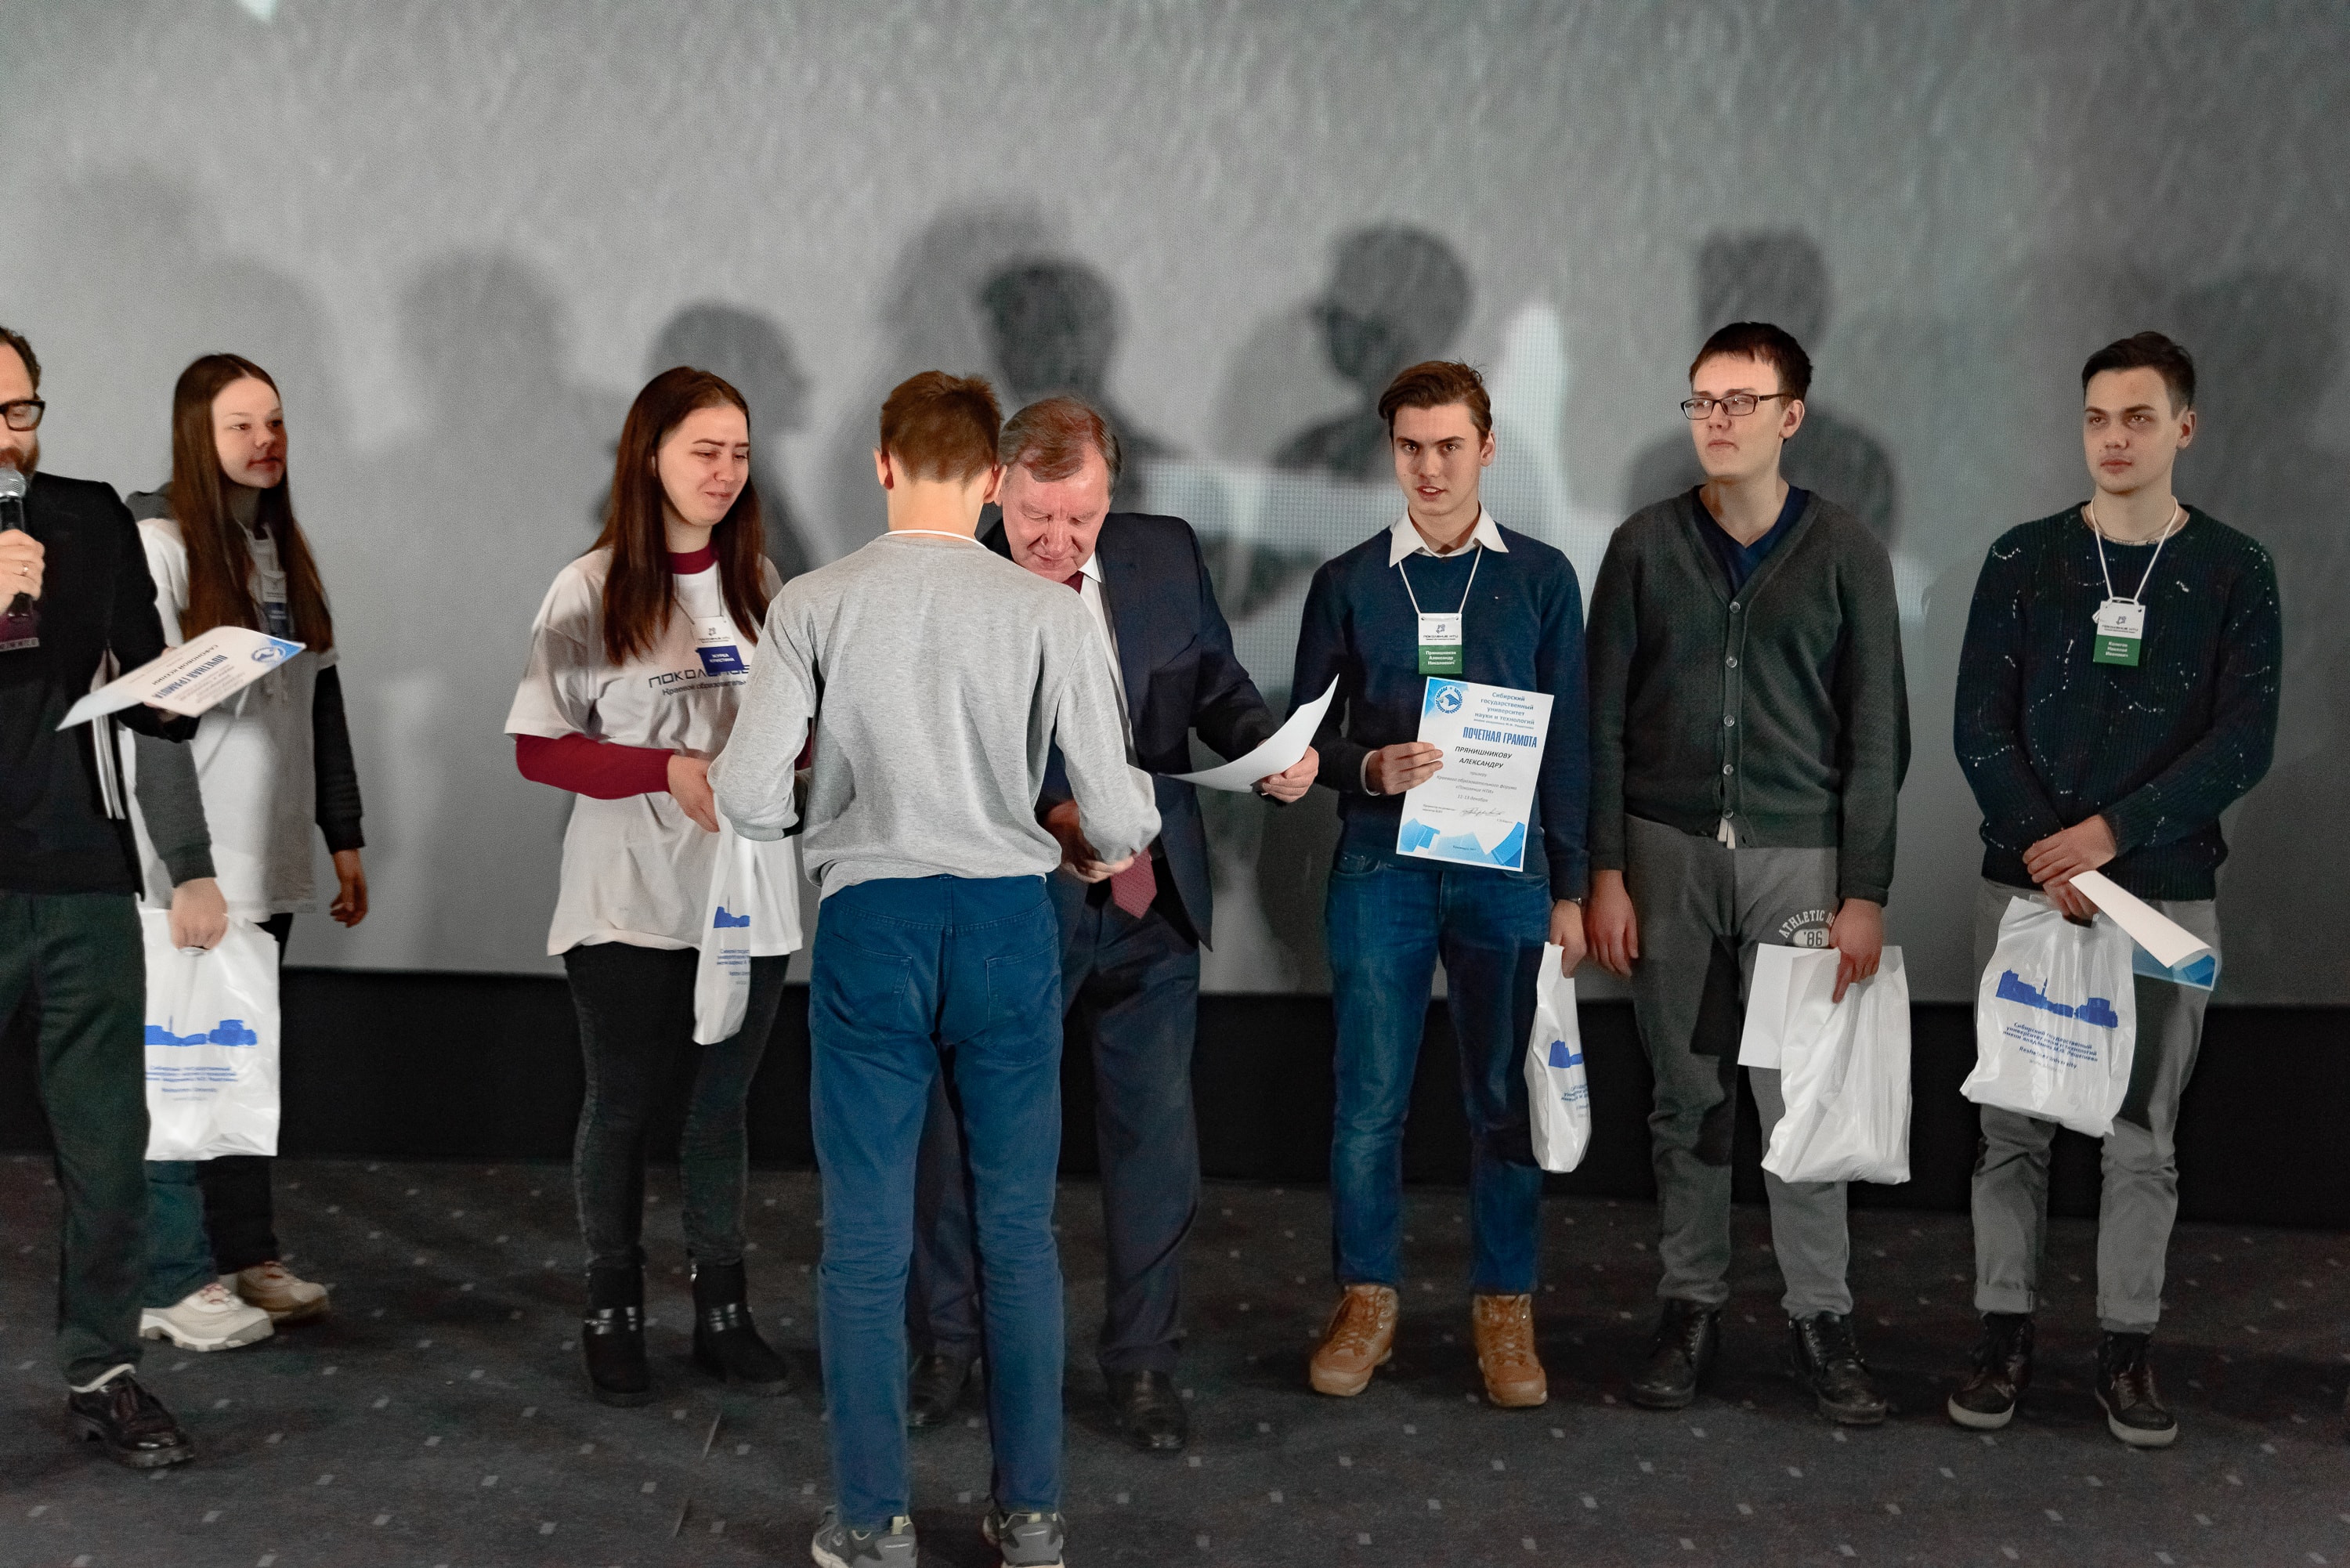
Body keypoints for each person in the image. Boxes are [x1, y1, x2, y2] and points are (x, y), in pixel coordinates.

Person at [712, 371, 1156, 1568]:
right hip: (1010, 923)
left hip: (874, 923)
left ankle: (872, 1523)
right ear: (994, 481)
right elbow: (1119, 817)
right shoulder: (1050, 611)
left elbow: (748, 797)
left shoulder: (813, 602)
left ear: (883, 463)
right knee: (1018, 1234)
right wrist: (1093, 840)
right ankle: (1033, 1517)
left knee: (866, 1244)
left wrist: (815, 805)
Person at [902, 395, 1315, 1454]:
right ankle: (947, 1342)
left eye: (1079, 518)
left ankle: (1142, 1362)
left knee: (1154, 1143)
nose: (1056, 540)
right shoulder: (950, 576)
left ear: (1111, 496)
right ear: (996, 490)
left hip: (1151, 901)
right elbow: (943, 746)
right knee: (970, 1134)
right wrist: (1059, 819)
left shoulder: (1162, 554)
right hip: (1014, 901)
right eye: (1035, 517)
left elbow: (1213, 681)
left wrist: (1266, 747)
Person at [1947, 331, 2280, 1449]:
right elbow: (1978, 727)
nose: (2115, 439)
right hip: (2028, 892)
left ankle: (2126, 1350)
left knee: (2143, 1135)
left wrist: (2110, 836)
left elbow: (2243, 742)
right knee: (2012, 1128)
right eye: (2097, 418)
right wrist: (2053, 850)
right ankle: (2003, 1335)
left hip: (2164, 895)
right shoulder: (2024, 558)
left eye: (2139, 418)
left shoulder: (2235, 568)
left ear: (2184, 426)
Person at [1584, 321, 1908, 1425]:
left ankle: (1823, 1317)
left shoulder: (1847, 552)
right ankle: (1690, 1306)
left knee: (1801, 1102)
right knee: (1686, 1096)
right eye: (1702, 401)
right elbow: (1602, 723)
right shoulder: (1642, 547)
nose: (1717, 420)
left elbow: (1877, 737)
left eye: (1741, 400)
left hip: (1801, 860)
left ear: (1791, 415)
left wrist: (1865, 890)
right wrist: (1607, 869)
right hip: (1664, 855)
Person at [1289, 359, 1589, 1411]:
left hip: (1507, 875)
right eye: (1411, 447)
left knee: (1503, 1097)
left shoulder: (1542, 577)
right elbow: (1306, 736)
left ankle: (1504, 1304)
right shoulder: (1349, 582)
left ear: (1486, 449)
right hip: (1383, 866)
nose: (1430, 467)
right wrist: (1365, 765)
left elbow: (1571, 742)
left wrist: (1571, 883)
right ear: (1393, 453)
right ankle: (1366, 1297)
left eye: (1449, 445)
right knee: (1368, 1099)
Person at [506, 367, 797, 1408]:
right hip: (627, 894)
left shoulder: (764, 583)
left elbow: (793, 733)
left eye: (739, 453)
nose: (724, 472)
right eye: (703, 451)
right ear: (650, 456)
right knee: (624, 1104)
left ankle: (722, 1310)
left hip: (749, 894)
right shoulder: (588, 588)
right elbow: (540, 746)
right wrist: (665, 769)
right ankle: (613, 1309)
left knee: (720, 1109)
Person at [122, 353, 367, 1346]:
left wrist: (343, 836)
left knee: (241, 1064)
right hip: (194, 867)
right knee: (182, 1071)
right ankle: (170, 1279)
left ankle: (243, 1255)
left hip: (269, 863)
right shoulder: (159, 547)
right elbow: (148, 725)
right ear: (198, 435)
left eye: (275, 422)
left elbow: (323, 704)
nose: (266, 441)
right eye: (241, 425)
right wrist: (188, 867)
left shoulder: (282, 551)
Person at [0, 322, 198, 1466]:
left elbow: (142, 669)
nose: (10, 437)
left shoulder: (84, 515)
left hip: (80, 868)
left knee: (110, 1150)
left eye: (22, 410)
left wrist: (182, 692)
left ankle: (105, 1370)